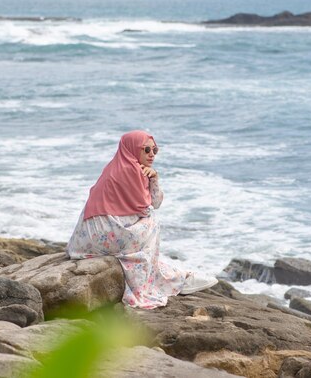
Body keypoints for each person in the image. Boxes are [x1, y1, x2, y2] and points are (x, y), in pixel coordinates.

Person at [66, 130, 217, 309]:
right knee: (152, 219)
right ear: (133, 149)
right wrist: (152, 179)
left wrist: (154, 177)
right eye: (146, 150)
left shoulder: (113, 167)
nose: (152, 154)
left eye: (155, 150)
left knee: (144, 224)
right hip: (105, 236)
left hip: (84, 242)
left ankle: (174, 275)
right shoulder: (133, 170)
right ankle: (168, 280)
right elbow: (152, 205)